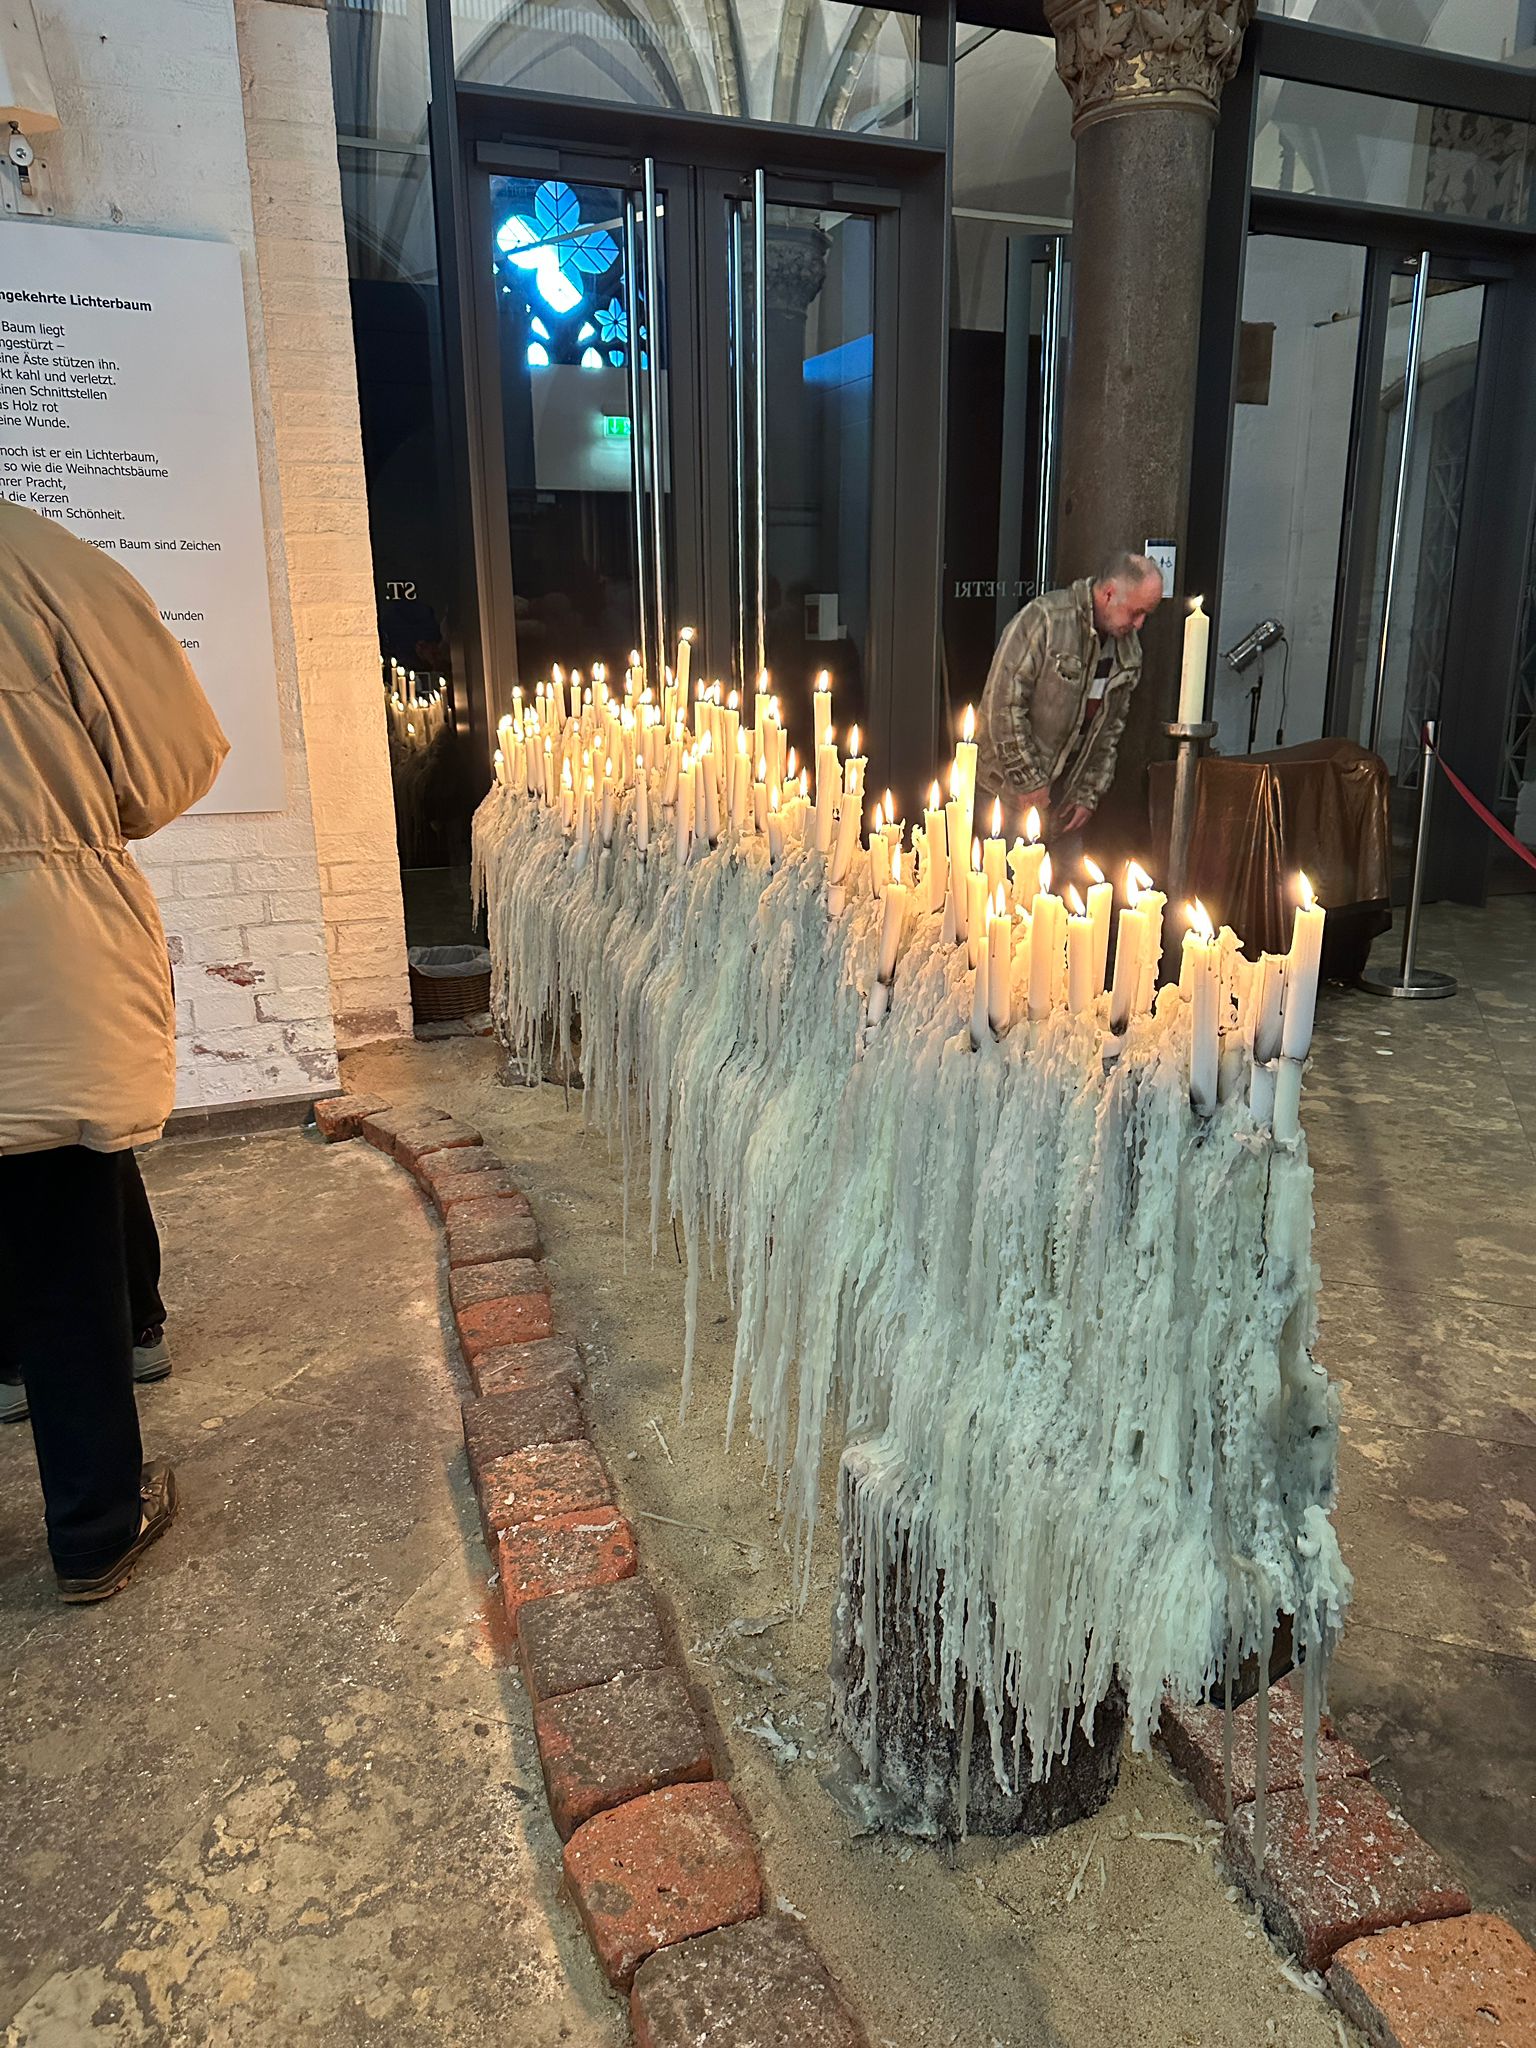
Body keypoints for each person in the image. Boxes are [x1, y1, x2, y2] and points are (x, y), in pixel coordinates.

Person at [0, 498, 228, 1602]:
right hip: (34, 946)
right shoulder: (36, 564)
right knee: (59, 1209)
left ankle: (22, 1362)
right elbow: (171, 758)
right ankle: (94, 1521)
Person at [975, 550, 1164, 844]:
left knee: (1064, 873)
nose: (1139, 624)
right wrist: (1029, 782)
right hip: (1005, 790)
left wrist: (1088, 793)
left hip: (1063, 799)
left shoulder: (1128, 651)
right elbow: (1003, 706)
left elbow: (1110, 731)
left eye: (1146, 615)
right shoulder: (1046, 619)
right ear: (1109, 594)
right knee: (1004, 870)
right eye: (1135, 612)